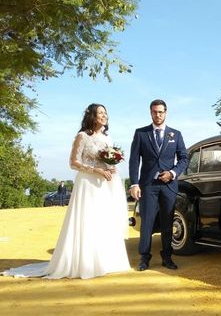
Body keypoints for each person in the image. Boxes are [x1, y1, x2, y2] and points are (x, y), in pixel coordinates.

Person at [2, 104, 131, 279]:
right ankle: (84, 263)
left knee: (103, 219)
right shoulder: (82, 136)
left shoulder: (108, 139)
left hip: (104, 184)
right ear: (92, 116)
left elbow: (107, 161)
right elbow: (73, 162)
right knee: (87, 220)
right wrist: (95, 170)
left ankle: (105, 261)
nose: (104, 115)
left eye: (105, 113)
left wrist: (110, 167)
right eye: (100, 113)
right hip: (88, 182)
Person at [129, 99, 188, 271]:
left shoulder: (175, 134)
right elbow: (134, 160)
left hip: (169, 185)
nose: (158, 115)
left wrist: (173, 173)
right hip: (148, 186)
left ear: (166, 112)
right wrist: (134, 183)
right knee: (147, 222)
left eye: (161, 112)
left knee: (167, 221)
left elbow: (184, 158)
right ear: (151, 113)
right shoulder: (141, 133)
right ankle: (144, 257)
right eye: (155, 112)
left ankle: (167, 257)